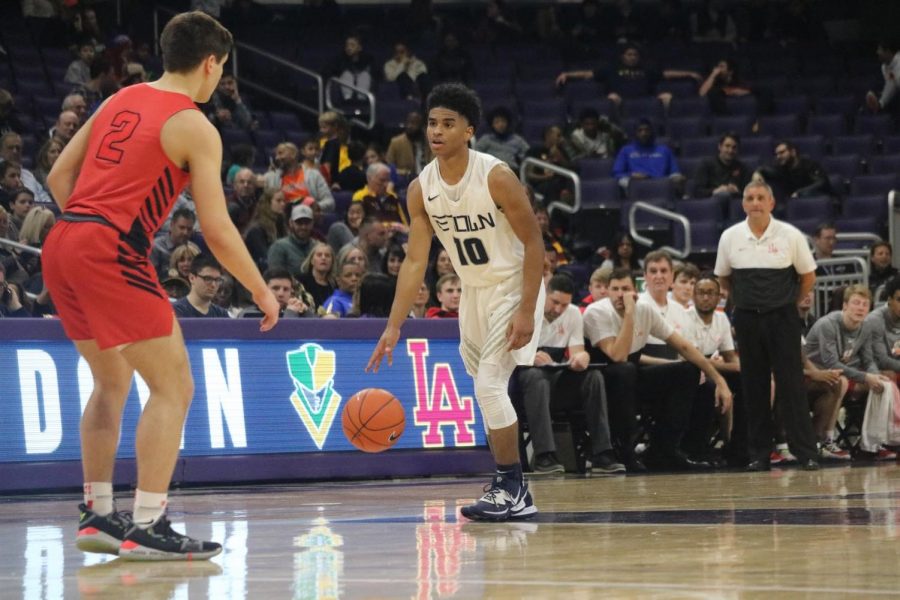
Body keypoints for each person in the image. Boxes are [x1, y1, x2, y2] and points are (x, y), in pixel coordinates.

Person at [41, 11, 279, 561]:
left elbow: (57, 178)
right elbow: (216, 229)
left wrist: (86, 235)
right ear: (211, 63)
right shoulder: (195, 124)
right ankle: (148, 523)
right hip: (109, 249)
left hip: (65, 239)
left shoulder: (118, 98)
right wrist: (262, 291)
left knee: (111, 383)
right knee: (175, 388)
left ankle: (99, 515)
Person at [367, 83, 545, 522]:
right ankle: (509, 483)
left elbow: (535, 242)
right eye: (432, 123)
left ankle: (512, 486)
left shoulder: (496, 176)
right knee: (487, 391)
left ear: (469, 131)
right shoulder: (420, 188)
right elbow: (414, 262)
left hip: (512, 286)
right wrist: (393, 326)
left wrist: (526, 308)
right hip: (473, 292)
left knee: (488, 386)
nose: (437, 131)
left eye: (448, 124)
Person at [714, 181, 820, 471]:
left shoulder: (790, 235)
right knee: (754, 387)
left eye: (761, 197)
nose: (755, 202)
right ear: (743, 203)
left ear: (771, 203)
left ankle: (806, 453)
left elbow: (808, 277)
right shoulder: (730, 236)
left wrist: (787, 302)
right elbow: (724, 279)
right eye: (750, 198)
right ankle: (759, 454)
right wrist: (745, 302)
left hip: (783, 318)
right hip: (747, 318)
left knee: (792, 385)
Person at [583, 267, 732, 471]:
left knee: (687, 370)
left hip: (632, 375)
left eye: (625, 288)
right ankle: (624, 450)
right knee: (624, 370)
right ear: (607, 291)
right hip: (602, 381)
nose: (620, 294)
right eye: (615, 289)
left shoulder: (645, 309)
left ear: (634, 290)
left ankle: (665, 449)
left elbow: (684, 346)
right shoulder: (597, 312)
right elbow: (618, 355)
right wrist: (629, 313)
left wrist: (719, 379)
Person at [516, 274, 623, 475]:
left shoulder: (573, 313)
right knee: (535, 377)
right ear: (544, 294)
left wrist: (582, 358)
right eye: (555, 302)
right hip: (524, 379)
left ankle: (602, 453)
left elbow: (577, 352)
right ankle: (544, 456)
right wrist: (529, 357)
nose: (558, 309)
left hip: (554, 377)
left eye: (564, 305)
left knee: (593, 377)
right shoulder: (526, 310)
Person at [612, 119, 684, 194]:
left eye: (647, 130)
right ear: (635, 133)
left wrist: (677, 178)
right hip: (637, 189)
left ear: (651, 131)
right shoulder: (626, 150)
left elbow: (675, 172)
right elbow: (617, 173)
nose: (644, 133)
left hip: (661, 189)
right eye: (640, 130)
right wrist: (631, 175)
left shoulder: (664, 150)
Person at [753, 141, 830, 204]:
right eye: (777, 154)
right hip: (795, 203)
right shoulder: (782, 169)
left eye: (782, 152)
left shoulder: (809, 165)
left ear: (793, 152)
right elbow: (766, 170)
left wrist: (800, 193)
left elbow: (821, 183)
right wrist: (757, 172)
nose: (778, 156)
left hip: (816, 200)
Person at [693, 132, 751, 200]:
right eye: (727, 146)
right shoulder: (706, 165)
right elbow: (697, 192)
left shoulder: (743, 168)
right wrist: (715, 191)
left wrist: (737, 192)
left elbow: (749, 194)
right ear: (720, 147)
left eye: (734, 147)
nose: (730, 150)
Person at [865, 40, 900, 119]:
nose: (877, 52)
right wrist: (880, 103)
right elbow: (891, 85)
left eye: (879, 50)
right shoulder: (884, 67)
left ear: (887, 52)